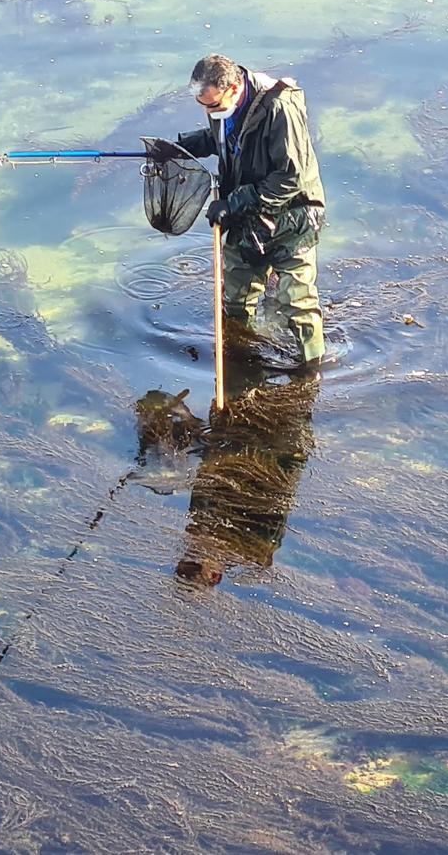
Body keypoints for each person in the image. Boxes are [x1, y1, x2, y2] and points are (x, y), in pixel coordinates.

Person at [173, 54, 328, 370]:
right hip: (249, 220)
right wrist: (181, 147)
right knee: (235, 301)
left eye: (213, 106)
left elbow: (291, 177)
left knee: (297, 304)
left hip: (294, 218)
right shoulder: (222, 106)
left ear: (233, 88)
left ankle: (313, 372)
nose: (209, 112)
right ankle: (243, 363)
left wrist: (233, 203)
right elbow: (222, 138)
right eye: (203, 107)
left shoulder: (279, 108)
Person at [133, 351, 316, 586]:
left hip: (240, 443)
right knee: (296, 382)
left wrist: (216, 440)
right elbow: (277, 495)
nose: (190, 554)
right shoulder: (254, 551)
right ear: (216, 575)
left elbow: (206, 478)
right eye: (195, 564)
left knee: (240, 367)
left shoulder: (201, 525)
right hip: (276, 450)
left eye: (184, 560)